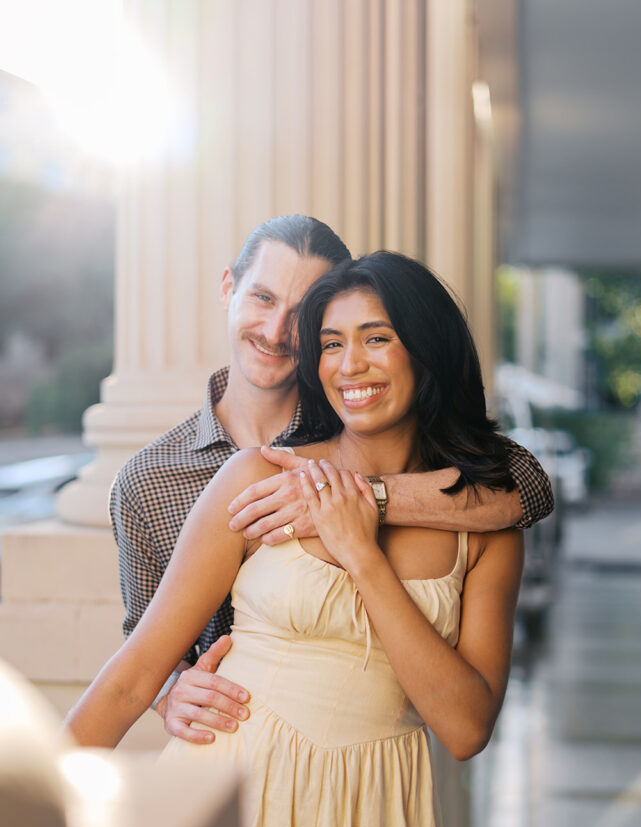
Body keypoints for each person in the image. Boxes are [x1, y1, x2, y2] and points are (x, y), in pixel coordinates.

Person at [67, 251, 524, 827]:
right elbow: (135, 671)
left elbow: (464, 727)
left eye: (376, 338)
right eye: (332, 343)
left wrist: (360, 546)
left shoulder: (486, 523)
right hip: (227, 804)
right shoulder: (258, 479)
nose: (350, 365)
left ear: (427, 348)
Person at [108, 215, 552, 746]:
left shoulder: (360, 423)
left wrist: (361, 497)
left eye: (301, 315)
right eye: (263, 298)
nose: (276, 331)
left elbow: (526, 487)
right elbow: (142, 651)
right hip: (230, 746)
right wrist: (172, 690)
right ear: (229, 288)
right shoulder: (149, 480)